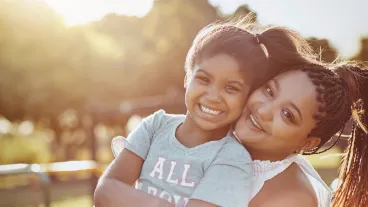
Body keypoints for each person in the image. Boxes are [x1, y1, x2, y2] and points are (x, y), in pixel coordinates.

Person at [94, 17, 317, 207]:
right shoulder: (155, 126)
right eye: (203, 79)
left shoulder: (233, 157)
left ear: (246, 97)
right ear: (186, 79)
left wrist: (129, 198)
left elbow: (116, 191)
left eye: (231, 88)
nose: (213, 96)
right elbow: (104, 191)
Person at [232, 63, 367, 207]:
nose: (262, 111)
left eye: (287, 114)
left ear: (307, 143)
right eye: (270, 91)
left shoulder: (290, 199)